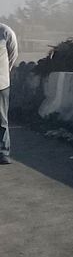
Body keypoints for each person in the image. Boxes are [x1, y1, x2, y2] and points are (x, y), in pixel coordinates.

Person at [0, 23, 17, 164]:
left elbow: (13, 54)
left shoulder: (5, 32)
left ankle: (3, 152)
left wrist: (5, 72)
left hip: (1, 84)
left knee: (1, 119)